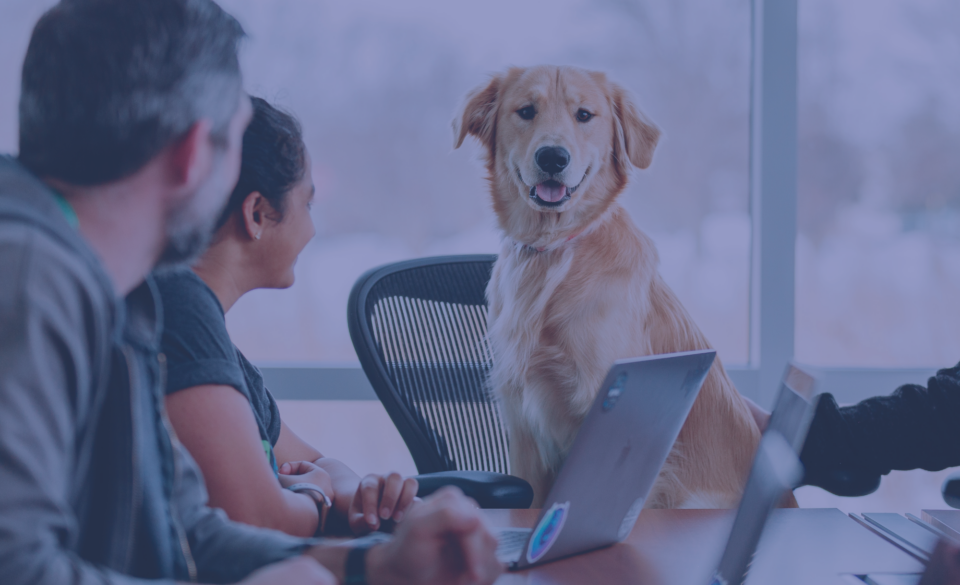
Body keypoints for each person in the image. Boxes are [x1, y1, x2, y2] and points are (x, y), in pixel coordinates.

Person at [0, 1, 502, 584]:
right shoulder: (31, 276)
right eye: (236, 138)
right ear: (193, 154)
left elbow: (185, 533)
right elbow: (17, 569)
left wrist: (376, 565)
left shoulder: (125, 295)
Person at [154, 96, 418, 538]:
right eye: (308, 205)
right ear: (257, 213)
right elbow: (262, 521)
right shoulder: (180, 310)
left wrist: (358, 492)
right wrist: (314, 496)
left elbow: (315, 463)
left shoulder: (220, 349)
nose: (312, 229)